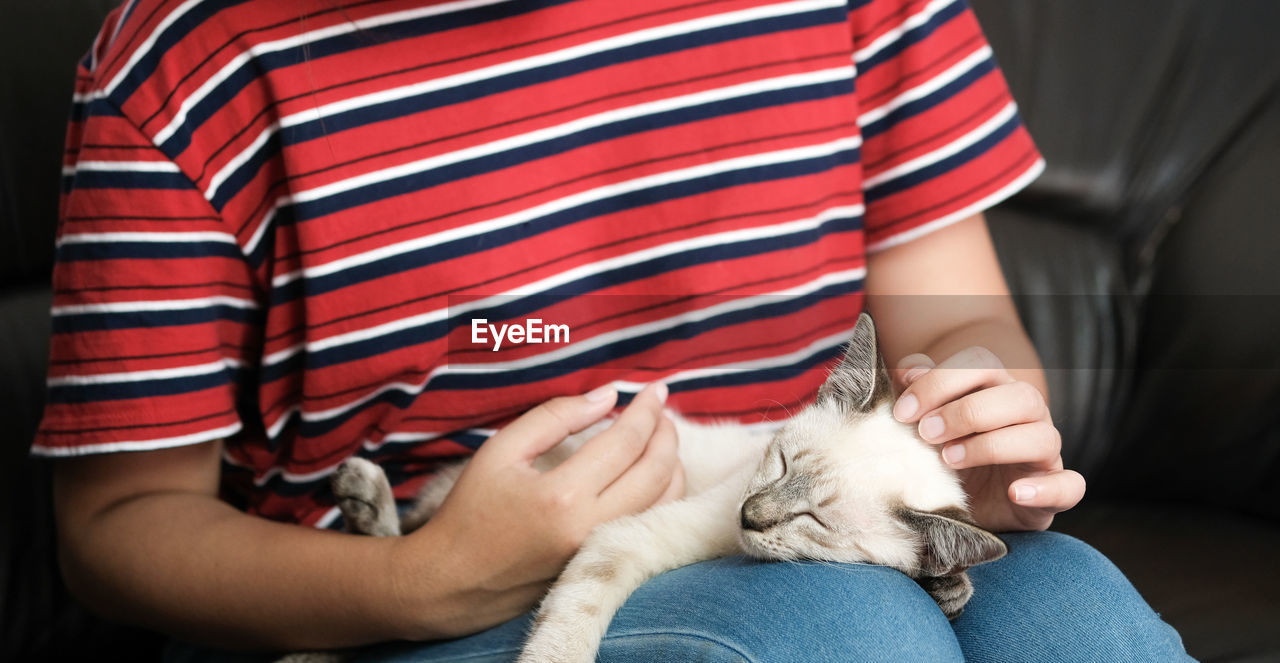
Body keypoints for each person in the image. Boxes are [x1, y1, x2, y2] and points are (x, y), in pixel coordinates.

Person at [36, 0, 1191, 660]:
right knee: (841, 633)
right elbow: (118, 529)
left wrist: (970, 427)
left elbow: (964, 317)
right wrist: (425, 583)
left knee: (1075, 614)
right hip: (392, 594)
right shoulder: (186, 66)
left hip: (789, 508)